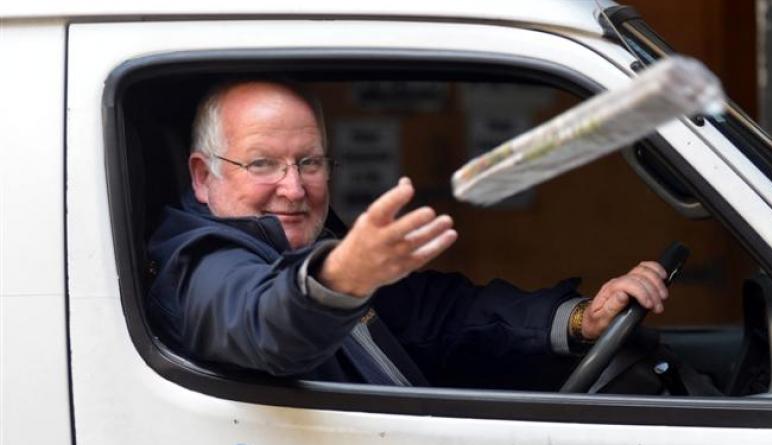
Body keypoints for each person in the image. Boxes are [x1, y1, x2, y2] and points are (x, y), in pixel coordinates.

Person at [147, 80, 670, 388]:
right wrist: (337, 279)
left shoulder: (314, 246)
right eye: (262, 164)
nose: (294, 187)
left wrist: (580, 320)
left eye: (309, 162)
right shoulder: (198, 266)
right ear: (202, 175)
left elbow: (438, 318)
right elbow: (265, 326)